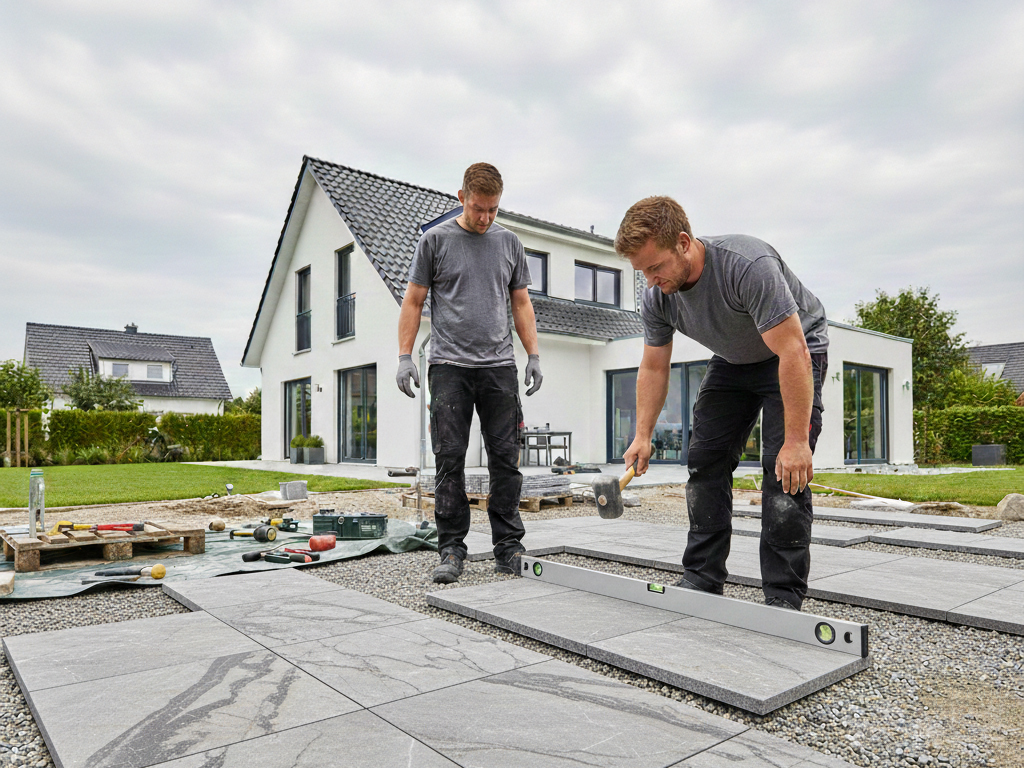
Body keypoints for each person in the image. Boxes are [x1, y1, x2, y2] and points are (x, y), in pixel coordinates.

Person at [615, 196, 828, 611]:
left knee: (784, 469)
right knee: (705, 460)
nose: (651, 281)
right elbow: (654, 367)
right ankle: (702, 577)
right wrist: (642, 435)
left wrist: (796, 442)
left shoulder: (746, 266)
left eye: (655, 267)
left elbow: (793, 352)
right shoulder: (657, 296)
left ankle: (783, 596)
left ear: (683, 243)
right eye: (642, 272)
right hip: (734, 360)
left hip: (794, 352)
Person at [396, 162, 543, 584]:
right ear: (461, 198)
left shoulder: (509, 243)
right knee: (449, 459)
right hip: (449, 368)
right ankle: (451, 549)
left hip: (499, 368)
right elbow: (413, 301)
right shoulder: (435, 241)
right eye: (478, 208)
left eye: (493, 209)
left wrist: (533, 354)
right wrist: (405, 356)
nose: (485, 218)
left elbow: (521, 303)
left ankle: (508, 548)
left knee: (506, 460)